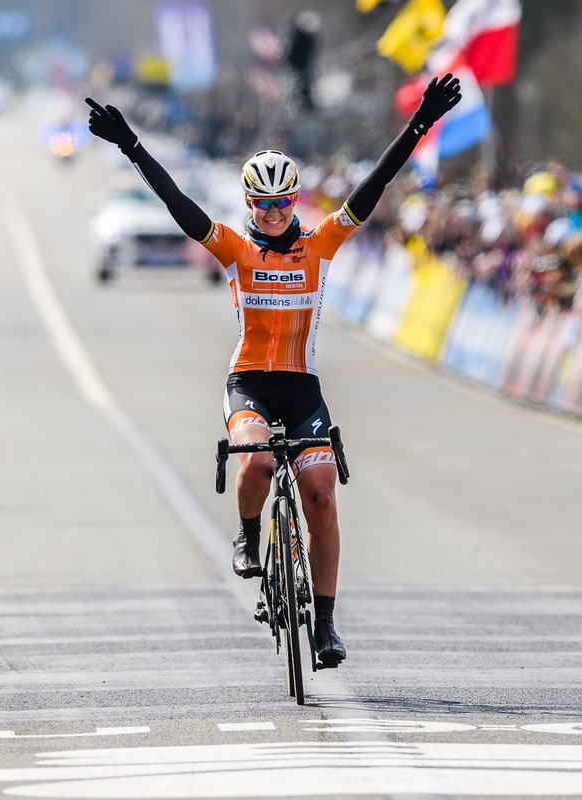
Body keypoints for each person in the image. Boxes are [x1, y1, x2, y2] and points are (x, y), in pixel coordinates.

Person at [86, 74, 461, 667]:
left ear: (295, 201)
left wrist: (419, 122)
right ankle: (247, 531)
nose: (274, 212)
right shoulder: (235, 249)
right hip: (250, 385)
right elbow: (177, 204)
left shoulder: (321, 244)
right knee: (258, 459)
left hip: (302, 390)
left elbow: (376, 184)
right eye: (262, 204)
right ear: (249, 204)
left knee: (320, 493)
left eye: (284, 202)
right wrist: (130, 144)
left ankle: (326, 626)